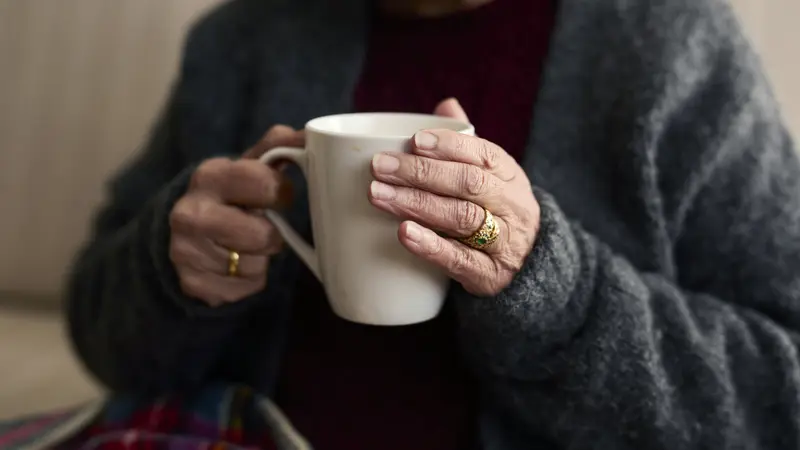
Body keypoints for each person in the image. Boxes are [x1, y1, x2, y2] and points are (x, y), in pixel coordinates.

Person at [56, 0, 800, 448]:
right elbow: (104, 334)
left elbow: (780, 400)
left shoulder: (671, 49)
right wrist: (171, 271)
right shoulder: (243, 40)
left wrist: (557, 293)